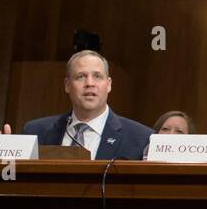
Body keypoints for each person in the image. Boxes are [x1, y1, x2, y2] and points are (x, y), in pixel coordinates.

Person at [21, 50, 152, 160]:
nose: (90, 83)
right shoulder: (36, 132)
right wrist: (4, 153)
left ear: (109, 84)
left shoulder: (141, 139)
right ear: (67, 85)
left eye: (97, 76)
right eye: (81, 77)